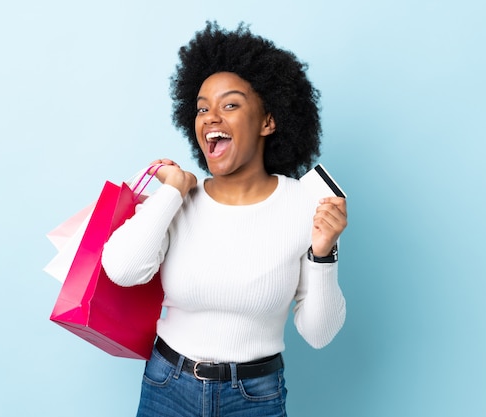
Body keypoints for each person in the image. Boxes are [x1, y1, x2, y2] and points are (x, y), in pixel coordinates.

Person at [102, 21, 347, 417]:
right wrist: (172, 192)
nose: (211, 117)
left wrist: (324, 255)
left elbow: (319, 334)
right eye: (202, 108)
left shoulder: (306, 204)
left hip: (255, 397)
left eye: (230, 105)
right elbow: (122, 270)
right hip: (168, 386)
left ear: (269, 121)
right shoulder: (180, 198)